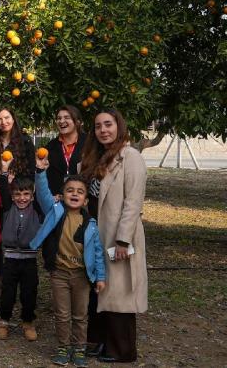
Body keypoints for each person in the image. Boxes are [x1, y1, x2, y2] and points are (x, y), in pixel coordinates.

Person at [80, 109, 147, 363]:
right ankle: (98, 341)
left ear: (119, 125)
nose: (103, 130)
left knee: (119, 293)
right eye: (98, 126)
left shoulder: (130, 157)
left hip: (118, 235)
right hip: (97, 232)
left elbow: (133, 202)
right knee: (99, 288)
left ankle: (122, 350)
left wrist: (123, 240)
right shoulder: (95, 157)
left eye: (108, 124)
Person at [30, 157, 107, 368]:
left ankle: (79, 348)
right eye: (70, 190)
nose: (74, 194)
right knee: (62, 314)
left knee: (81, 315)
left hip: (82, 276)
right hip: (60, 273)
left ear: (85, 200)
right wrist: (40, 171)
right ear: (63, 195)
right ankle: (63, 348)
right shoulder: (55, 212)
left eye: (79, 192)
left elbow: (98, 252)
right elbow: (44, 193)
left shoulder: (90, 223)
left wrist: (100, 276)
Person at [0, 107, 36, 297]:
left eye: (7, 117)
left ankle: (20, 277)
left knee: (16, 233)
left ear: (13, 118)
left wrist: (16, 182)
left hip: (17, 194)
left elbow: (30, 170)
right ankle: (1, 279)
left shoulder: (25, 141)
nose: (4, 122)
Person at [0, 156, 45, 342]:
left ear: (32, 195)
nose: (21, 198)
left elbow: (43, 193)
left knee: (29, 292)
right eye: (17, 194)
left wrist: (40, 171)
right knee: (8, 293)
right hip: (10, 260)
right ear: (12, 195)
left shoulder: (37, 209)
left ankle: (28, 321)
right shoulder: (8, 208)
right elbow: (2, 190)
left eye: (26, 194)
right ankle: (4, 320)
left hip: (29, 260)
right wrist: (4, 170)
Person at [46, 106, 87, 197]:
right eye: (59, 118)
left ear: (77, 122)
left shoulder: (89, 143)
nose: (61, 121)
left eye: (67, 117)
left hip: (83, 201)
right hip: (57, 201)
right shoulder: (50, 147)